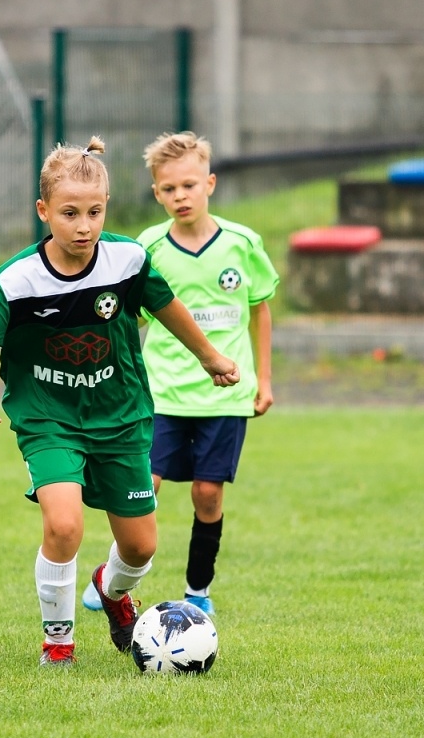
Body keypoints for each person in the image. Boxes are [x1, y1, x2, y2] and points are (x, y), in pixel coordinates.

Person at [0, 137, 240, 667]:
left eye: (94, 212)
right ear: (43, 211)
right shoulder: (17, 281)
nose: (84, 226)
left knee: (140, 548)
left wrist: (209, 356)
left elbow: (167, 305)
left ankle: (111, 591)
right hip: (48, 418)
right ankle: (58, 644)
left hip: (121, 416)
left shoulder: (128, 260)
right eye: (69, 214)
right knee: (63, 524)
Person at [81, 131, 277, 618]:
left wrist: (265, 381)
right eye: (169, 189)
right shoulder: (147, 247)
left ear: (209, 183)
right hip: (161, 393)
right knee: (139, 489)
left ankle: (198, 589)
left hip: (224, 396)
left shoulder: (242, 243)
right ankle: (112, 579)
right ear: (156, 193)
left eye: (189, 185)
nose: (180, 196)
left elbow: (261, 310)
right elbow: (131, 320)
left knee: (207, 494)